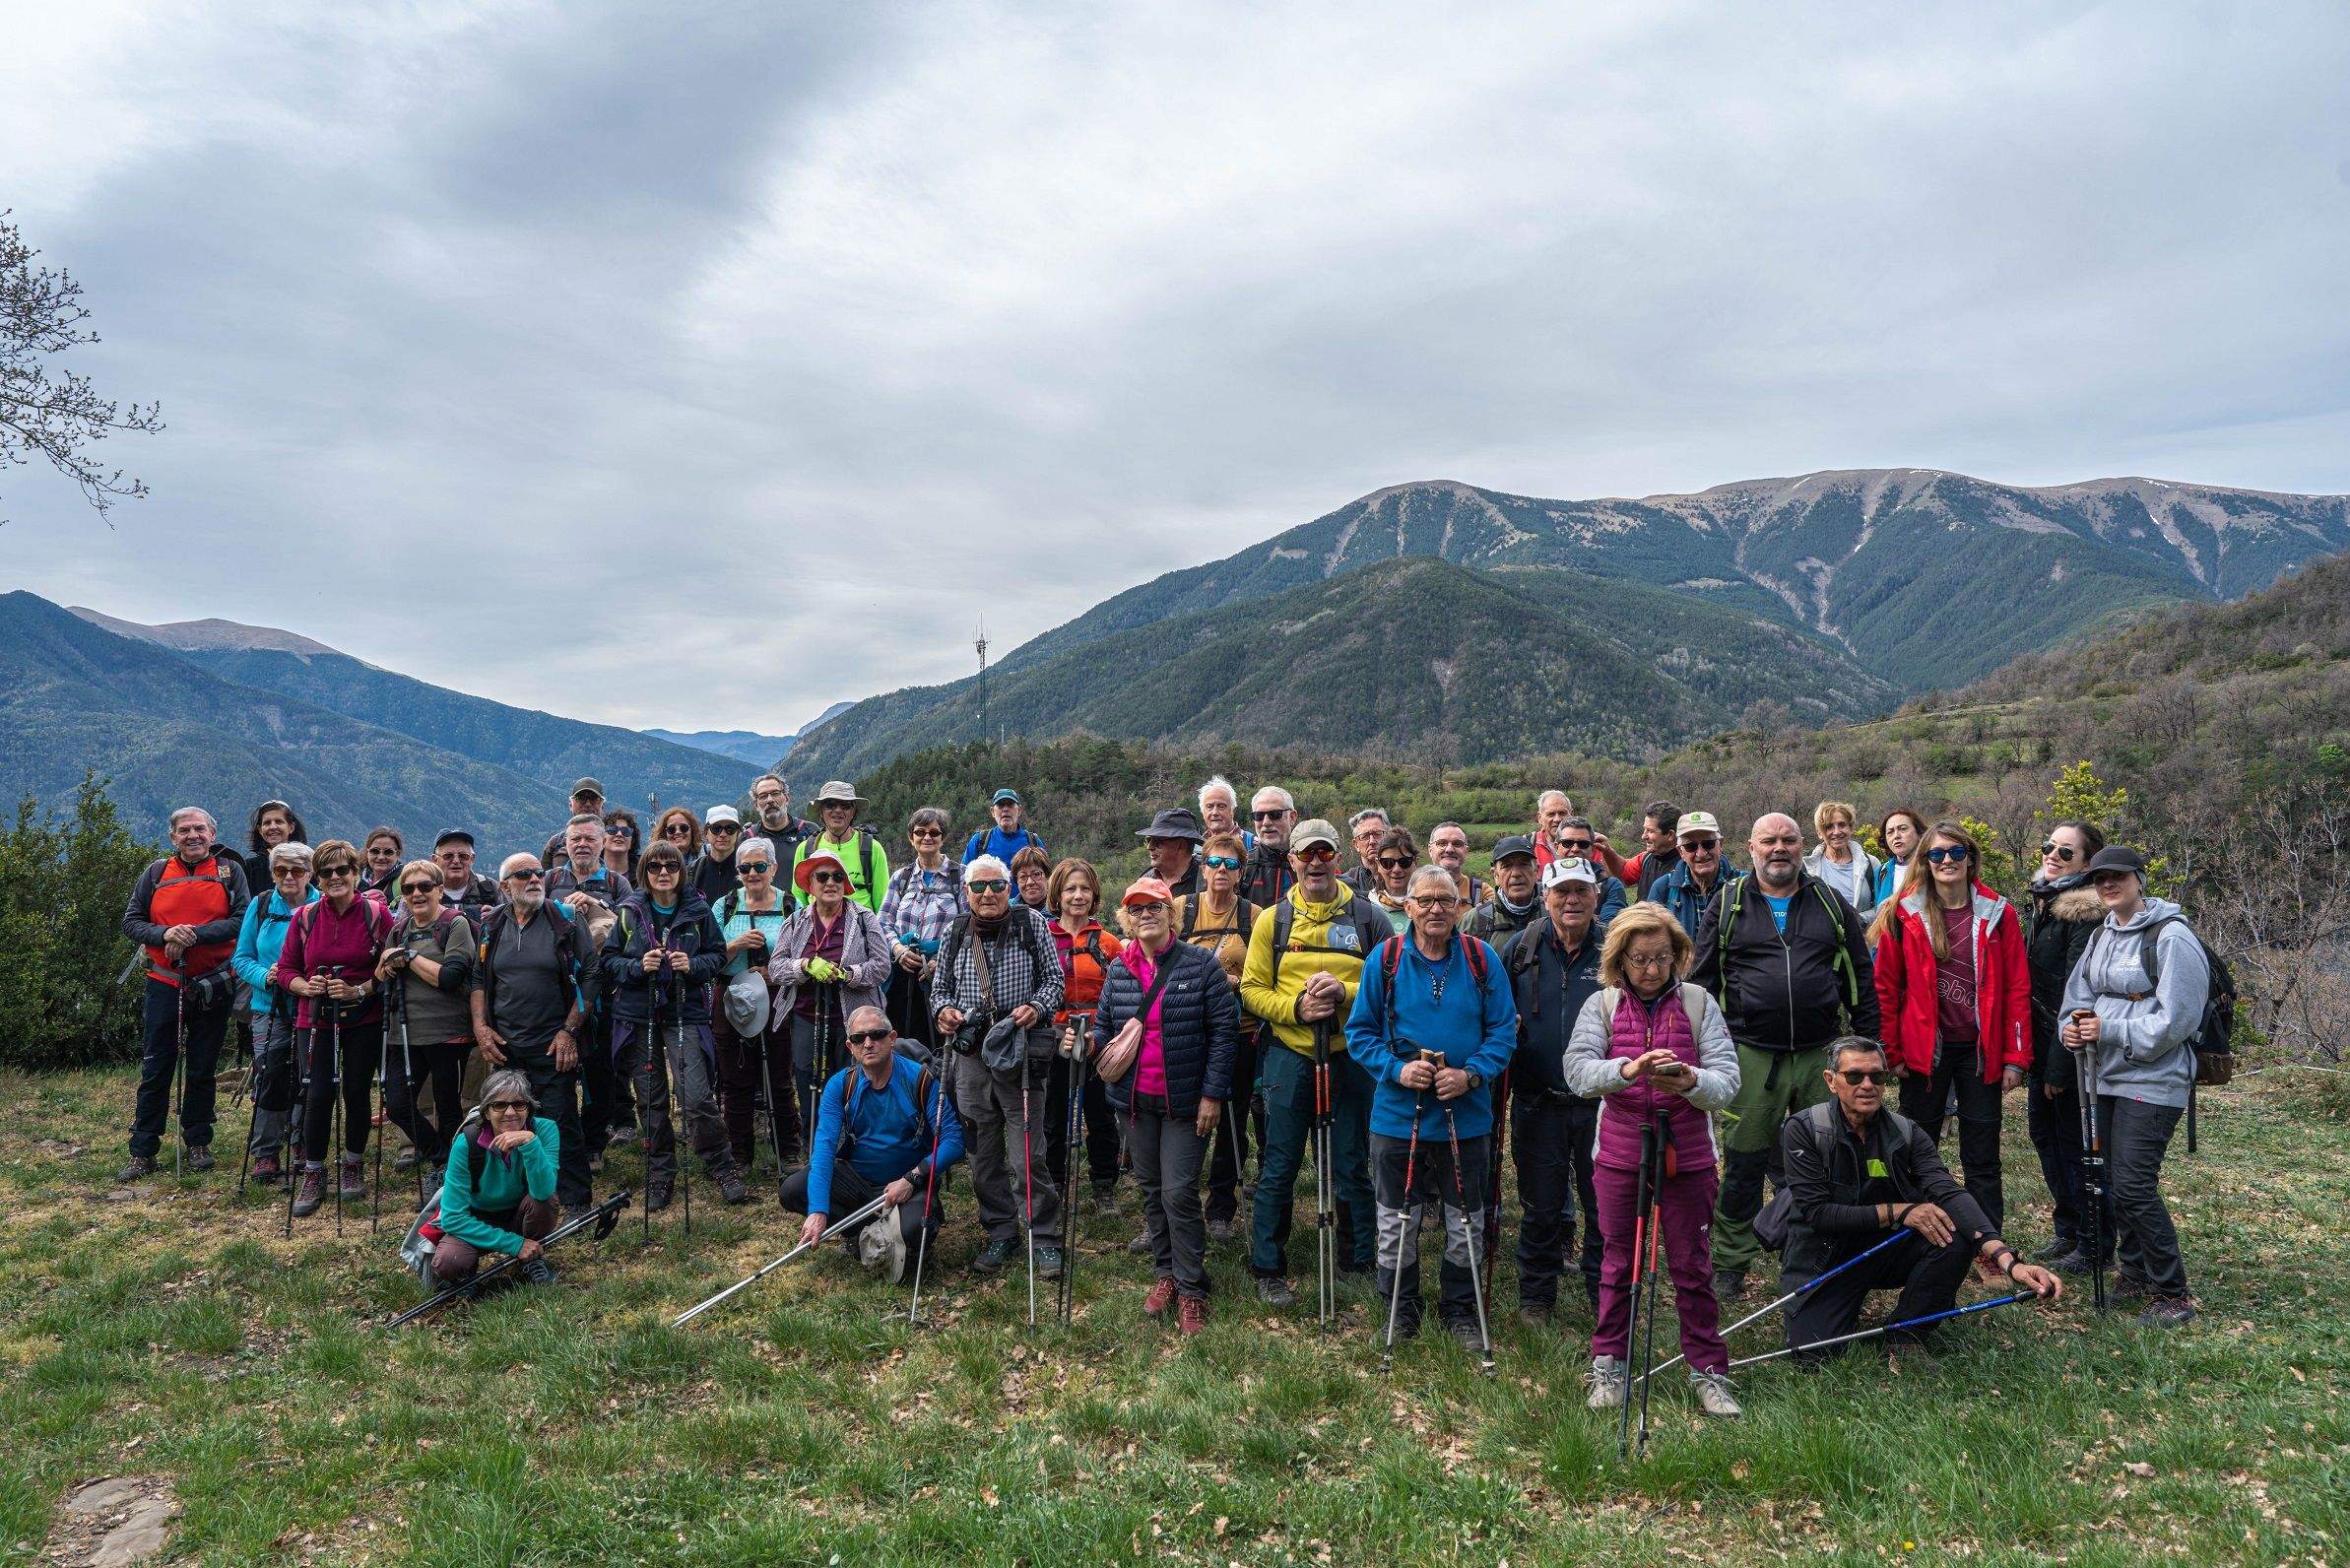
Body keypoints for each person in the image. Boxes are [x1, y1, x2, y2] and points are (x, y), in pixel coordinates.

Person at [1778, 1037, 2060, 1366]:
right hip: (1825, 1257)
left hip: (1883, 1249)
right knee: (1814, 1356)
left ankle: (1906, 1335)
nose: (1867, 1085)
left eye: (1878, 1077)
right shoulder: (1803, 1130)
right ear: (1831, 1080)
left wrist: (2007, 1260)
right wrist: (1902, 1211)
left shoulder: (1906, 1131)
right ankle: (1837, 1305)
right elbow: (1817, 1214)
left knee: (1953, 1235)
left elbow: (1949, 1192)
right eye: (1854, 1076)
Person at [1562, 903, 1742, 1414]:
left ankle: (1708, 1370)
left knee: (1691, 1263)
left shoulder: (1698, 1003)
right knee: (1618, 1262)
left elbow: (1727, 1083)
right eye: (1640, 959)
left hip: (1688, 1153)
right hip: (1620, 1153)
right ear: (1620, 959)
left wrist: (1690, 1081)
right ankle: (1608, 1365)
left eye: (1662, 957)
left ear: (1677, 955)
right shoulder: (1601, 1005)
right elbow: (1577, 1073)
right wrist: (1627, 1070)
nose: (1651, 969)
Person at [1693, 813, 1880, 1299]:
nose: (1780, 848)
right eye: (1769, 840)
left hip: (1822, 1054)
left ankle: (1822, 1250)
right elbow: (1702, 981)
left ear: (1803, 847)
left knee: (1832, 1158)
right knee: (1744, 1162)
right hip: (1752, 1055)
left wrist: (1869, 1042)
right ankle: (1731, 1262)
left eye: (1789, 840)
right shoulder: (1729, 903)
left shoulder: (1829, 902)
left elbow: (1860, 974)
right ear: (1750, 847)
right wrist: (1701, 1050)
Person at [1347, 865, 1517, 1347]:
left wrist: (1471, 1075)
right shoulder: (1386, 958)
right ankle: (1400, 1306)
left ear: (1460, 905)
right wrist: (1397, 1069)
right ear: (1408, 906)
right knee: (1394, 1217)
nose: (1436, 908)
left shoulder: (1482, 959)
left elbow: (1504, 1030)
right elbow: (1359, 1033)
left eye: (1446, 899)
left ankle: (1460, 1307)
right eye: (1426, 900)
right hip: (1398, 1116)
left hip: (1467, 1115)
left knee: (1467, 1218)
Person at [1237, 818, 1393, 1304]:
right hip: (1290, 1052)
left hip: (1351, 1055)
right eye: (1307, 855)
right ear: (1293, 862)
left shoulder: (1369, 918)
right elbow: (1250, 989)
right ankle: (1267, 1265)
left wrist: (1344, 992)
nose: (1316, 863)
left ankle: (1359, 1259)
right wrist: (1297, 1008)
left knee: (1351, 1160)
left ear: (1338, 860)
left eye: (1325, 854)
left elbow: (1390, 983)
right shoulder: (1273, 921)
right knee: (1279, 1161)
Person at [2058, 844, 2210, 1329]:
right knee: (2111, 1179)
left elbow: (2178, 1020)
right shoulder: (2102, 934)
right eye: (2100, 877)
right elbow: (2078, 995)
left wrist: (2112, 1030)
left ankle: (2174, 1293)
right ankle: (2136, 1270)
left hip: (2155, 1077)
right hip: (2102, 1075)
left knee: (2132, 1183)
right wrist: (2070, 1027)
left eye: (2118, 876)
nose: (2108, 885)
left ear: (2139, 879)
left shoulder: (2172, 937)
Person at [1092, 878, 1238, 1334]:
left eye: (1154, 906)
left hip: (1185, 1102)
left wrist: (1213, 1095)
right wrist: (1085, 1043)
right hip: (1134, 1104)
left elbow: (1224, 1035)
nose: (1145, 915)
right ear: (1127, 919)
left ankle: (1192, 1287)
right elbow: (1104, 1027)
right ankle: (1166, 1274)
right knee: (1152, 1191)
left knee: (1178, 1192)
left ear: (1169, 913)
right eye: (1136, 909)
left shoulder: (1200, 966)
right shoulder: (1119, 970)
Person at [1870, 822, 2030, 1228]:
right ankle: (1921, 1235)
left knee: (1982, 1155)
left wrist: (2015, 1057)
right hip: (1924, 1052)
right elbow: (1886, 988)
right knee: (1916, 1150)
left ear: (1971, 858)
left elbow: (2016, 988)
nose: (1946, 861)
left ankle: (1986, 1242)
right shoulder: (1903, 913)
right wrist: (1891, 1051)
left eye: (1956, 853)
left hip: (1981, 1051)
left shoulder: (1998, 913)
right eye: (1936, 854)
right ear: (1924, 861)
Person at [929, 855, 1068, 1278]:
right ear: (966, 892)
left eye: (997, 886)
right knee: (983, 1153)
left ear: (1009, 888)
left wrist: (1037, 1007)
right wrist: (945, 1013)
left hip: (1018, 1049)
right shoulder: (954, 931)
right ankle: (1001, 1229)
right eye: (979, 887)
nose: (988, 894)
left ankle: (1043, 1237)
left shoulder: (1031, 925)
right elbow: (939, 990)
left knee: (1028, 1151)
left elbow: (1054, 982)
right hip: (970, 1057)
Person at [1498, 858, 1611, 1320]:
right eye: (1561, 891)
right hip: (1536, 1099)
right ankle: (1537, 1296)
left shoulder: (1614, 948)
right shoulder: (1520, 949)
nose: (1571, 900)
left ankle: (1604, 1294)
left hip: (1604, 1104)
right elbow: (1496, 1014)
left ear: (1596, 896)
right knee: (1540, 1207)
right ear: (1545, 896)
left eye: (1581, 890)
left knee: (1604, 1207)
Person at [602, 841, 739, 1209]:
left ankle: (721, 1164)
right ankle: (661, 1173)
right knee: (652, 1101)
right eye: (655, 867)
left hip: (684, 1011)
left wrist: (692, 966)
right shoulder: (629, 912)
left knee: (695, 1097)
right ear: (644, 872)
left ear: (682, 872)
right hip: (638, 1013)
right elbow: (609, 960)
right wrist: (635, 967)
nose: (663, 872)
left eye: (671, 866)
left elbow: (716, 955)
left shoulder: (698, 911)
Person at [118, 807, 252, 1180]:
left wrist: (190, 933)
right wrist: (165, 934)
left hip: (212, 982)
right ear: (172, 837)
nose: (192, 836)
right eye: (183, 830)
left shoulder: (230, 871)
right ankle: (143, 1149)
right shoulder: (157, 873)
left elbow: (242, 920)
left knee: (202, 1065)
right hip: (164, 981)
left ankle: (198, 1141)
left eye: (199, 829)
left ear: (212, 833)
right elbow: (131, 922)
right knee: (157, 1065)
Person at [784, 1007, 964, 1272]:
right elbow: (823, 1149)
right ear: (850, 1046)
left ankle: (899, 1232)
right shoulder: (840, 1085)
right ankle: (860, 1232)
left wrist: (912, 1178)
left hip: (908, 1182)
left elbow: (954, 1140)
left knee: (917, 1230)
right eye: (859, 1038)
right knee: (793, 1191)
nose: (868, 1043)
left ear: (892, 1038)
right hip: (857, 1180)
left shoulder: (921, 1079)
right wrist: (818, 1211)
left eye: (876, 1035)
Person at [274, 838, 392, 1216]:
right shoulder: (305, 918)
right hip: (316, 1018)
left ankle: (353, 1163)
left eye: (343, 870)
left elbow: (390, 970)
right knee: (317, 1092)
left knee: (356, 1090)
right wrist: (304, 986)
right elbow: (287, 968)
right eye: (327, 872)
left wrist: (359, 989)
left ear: (357, 874)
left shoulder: (376, 915)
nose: (336, 877)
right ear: (317, 878)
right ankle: (314, 1169)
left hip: (364, 1018)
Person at [472, 854, 595, 1214]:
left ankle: (574, 1199)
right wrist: (481, 1028)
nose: (535, 879)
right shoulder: (492, 925)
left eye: (539, 873)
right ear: (506, 886)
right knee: (509, 1120)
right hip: (506, 1046)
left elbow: (591, 975)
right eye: (523, 874)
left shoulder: (566, 920)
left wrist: (570, 1030)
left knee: (559, 1120)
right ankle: (520, 1192)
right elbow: (479, 979)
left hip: (553, 1043)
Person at [767, 848, 896, 1178]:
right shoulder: (795, 921)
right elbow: (777, 967)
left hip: (854, 1022)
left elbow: (881, 967)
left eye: (837, 876)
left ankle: (856, 1157)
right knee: (809, 1083)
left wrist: (848, 974)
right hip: (805, 1016)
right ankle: (817, 1158)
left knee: (852, 1084)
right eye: (821, 876)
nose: (830, 882)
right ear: (809, 884)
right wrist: (806, 965)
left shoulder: (864, 919)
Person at [2022, 820, 2110, 1271]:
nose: (2052, 856)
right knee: (2045, 1135)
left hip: (2070, 1052)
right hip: (2041, 1044)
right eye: (2048, 846)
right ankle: (2068, 1230)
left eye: (2066, 852)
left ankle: (2094, 1241)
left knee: (2075, 1144)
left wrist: (2060, 1066)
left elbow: (2077, 994)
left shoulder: (2084, 913)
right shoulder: (2045, 902)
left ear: (2088, 863)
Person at [1171, 832, 1261, 1240]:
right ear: (1201, 867)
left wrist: (1227, 980)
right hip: (1187, 1031)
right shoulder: (1179, 909)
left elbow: (1263, 979)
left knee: (1232, 1117)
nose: (1221, 870)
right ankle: (1182, 1199)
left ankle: (1222, 1206)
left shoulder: (1255, 916)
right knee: (1187, 1118)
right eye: (1214, 863)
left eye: (1230, 864)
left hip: (1239, 1031)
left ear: (1241, 873)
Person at [376, 858, 479, 1181]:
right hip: (403, 1032)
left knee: (448, 1104)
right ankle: (438, 1153)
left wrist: (410, 957)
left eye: (424, 886)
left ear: (439, 889)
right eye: (409, 888)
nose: (417, 893)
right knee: (397, 1105)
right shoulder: (399, 929)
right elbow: (380, 976)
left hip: (448, 1031)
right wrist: (386, 965)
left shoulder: (455, 923)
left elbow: (450, 977)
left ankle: (448, 1168)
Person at [549, 815, 632, 1166]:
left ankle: (593, 1142)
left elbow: (632, 926)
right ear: (564, 844)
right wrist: (564, 910)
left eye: (589, 839)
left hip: (605, 991)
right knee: (560, 1070)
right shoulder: (550, 879)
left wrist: (598, 906)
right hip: (559, 990)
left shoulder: (617, 883)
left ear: (603, 843)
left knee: (602, 1071)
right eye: (575, 839)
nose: (581, 844)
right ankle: (564, 1139)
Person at [230, 839, 315, 1184]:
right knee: (270, 1074)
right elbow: (241, 958)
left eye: (297, 870)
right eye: (281, 870)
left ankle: (304, 1143)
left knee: (309, 1075)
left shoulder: (321, 905)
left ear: (310, 873)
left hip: (311, 1004)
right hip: (268, 1005)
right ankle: (266, 1151)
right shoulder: (261, 905)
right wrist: (266, 977)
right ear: (272, 873)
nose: (289, 877)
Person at [427, 1071, 560, 1288]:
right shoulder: (466, 1143)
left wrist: (530, 1144)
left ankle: (533, 1260)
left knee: (546, 1202)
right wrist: (515, 1244)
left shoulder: (545, 1131)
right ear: (486, 1112)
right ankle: (467, 1272)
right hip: (477, 1218)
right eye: (499, 1105)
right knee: (448, 1262)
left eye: (519, 1104)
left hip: (523, 1213)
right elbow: (452, 1218)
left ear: (529, 1108)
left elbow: (544, 1192)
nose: (510, 1112)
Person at [711, 836, 797, 1172]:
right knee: (735, 1075)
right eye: (745, 867)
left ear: (774, 868)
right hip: (731, 993)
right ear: (738, 872)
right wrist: (736, 945)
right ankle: (740, 1152)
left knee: (779, 1073)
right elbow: (710, 956)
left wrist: (772, 972)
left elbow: (801, 954)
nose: (753, 873)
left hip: (776, 995)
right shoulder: (725, 906)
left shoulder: (791, 906)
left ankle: (787, 1150)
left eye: (760, 866)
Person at [1046, 858, 1125, 1209]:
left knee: (1101, 1113)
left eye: (1085, 889)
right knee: (1054, 1115)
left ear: (1094, 895)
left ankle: (1104, 1184)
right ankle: (1056, 1183)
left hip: (1099, 1036)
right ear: (1058, 894)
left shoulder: (1109, 943)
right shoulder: (1043, 937)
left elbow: (1123, 990)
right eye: (1070, 889)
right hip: (1054, 1034)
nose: (1078, 896)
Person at [880, 808, 963, 1049]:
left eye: (934, 832)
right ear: (911, 837)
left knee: (940, 1040)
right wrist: (899, 951)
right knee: (902, 1039)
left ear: (943, 837)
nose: (927, 837)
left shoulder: (960, 877)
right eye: (920, 832)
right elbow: (883, 922)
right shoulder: (901, 877)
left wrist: (942, 961)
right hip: (902, 977)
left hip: (943, 977)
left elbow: (968, 929)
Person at [794, 780, 890, 913]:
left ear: (853, 812)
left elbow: (883, 902)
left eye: (845, 806)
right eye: (830, 805)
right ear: (821, 811)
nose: (838, 810)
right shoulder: (805, 849)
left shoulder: (872, 848)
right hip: (817, 929)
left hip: (862, 929)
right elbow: (799, 899)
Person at [1648, 811, 1741, 937]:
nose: (1701, 853)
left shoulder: (1744, 885)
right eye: (1691, 846)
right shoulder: (1663, 889)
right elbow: (1652, 942)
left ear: (1720, 845)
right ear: (1681, 852)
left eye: (1708, 844)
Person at [1804, 801, 1881, 917]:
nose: (1837, 832)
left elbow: (1883, 906)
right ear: (1820, 833)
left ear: (1851, 828)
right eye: (1829, 827)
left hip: (1862, 934)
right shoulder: (1806, 867)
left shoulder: (1871, 864)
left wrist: (1861, 919)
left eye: (1842, 825)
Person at [1464, 835, 1542, 944]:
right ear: (1495, 875)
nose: (1516, 873)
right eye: (1507, 866)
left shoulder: (1553, 913)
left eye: (1524, 865)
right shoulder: (1476, 919)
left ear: (1536, 871)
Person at [1547, 817, 1628, 921]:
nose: (1575, 849)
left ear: (1593, 849)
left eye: (1583, 844)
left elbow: (1612, 928)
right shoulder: (1545, 884)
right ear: (1556, 847)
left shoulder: (1610, 886)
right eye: (1567, 843)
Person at [1599, 802, 1681, 900]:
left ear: (1670, 835)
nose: (1643, 836)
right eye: (1645, 830)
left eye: (1650, 831)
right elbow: (1623, 872)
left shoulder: (1688, 866)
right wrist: (1607, 851)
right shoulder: (1646, 858)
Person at [241, 801, 306, 913]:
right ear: (260, 830)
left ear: (291, 827)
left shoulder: (306, 863)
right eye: (267, 823)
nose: (273, 827)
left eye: (279, 822)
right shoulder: (249, 867)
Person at [1239, 787, 1298, 910]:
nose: (1266, 822)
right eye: (1259, 816)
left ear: (1292, 817)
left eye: (1275, 814)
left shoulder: (1311, 862)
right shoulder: (1242, 865)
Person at [749, 774, 816, 868]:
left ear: (787, 798)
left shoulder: (810, 832)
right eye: (763, 796)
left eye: (775, 793)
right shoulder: (747, 837)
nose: (770, 800)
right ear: (756, 804)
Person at [965, 788, 1045, 867]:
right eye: (1000, 805)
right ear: (992, 811)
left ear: (1019, 810)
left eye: (1010, 804)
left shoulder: (1034, 842)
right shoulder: (979, 842)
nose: (1005, 809)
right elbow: (963, 876)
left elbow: (1046, 876)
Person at [432, 830, 502, 920]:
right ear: (435, 860)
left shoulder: (490, 887)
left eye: (463, 856)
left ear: (472, 859)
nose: (456, 861)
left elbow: (513, 924)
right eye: (448, 856)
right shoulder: (423, 889)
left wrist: (497, 921)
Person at [1139, 807, 1206, 900]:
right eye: (1148, 839)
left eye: (1157, 841)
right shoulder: (1145, 880)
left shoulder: (1208, 880)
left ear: (1181, 845)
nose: (1149, 847)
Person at [540, 777, 607, 868]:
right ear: (571, 805)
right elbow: (542, 878)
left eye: (593, 799)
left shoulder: (614, 840)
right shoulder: (555, 843)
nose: (588, 804)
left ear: (602, 806)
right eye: (581, 798)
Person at [1366, 824, 1417, 932]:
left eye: (1404, 862)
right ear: (1378, 864)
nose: (1396, 869)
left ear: (1415, 862)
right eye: (1388, 863)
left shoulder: (1428, 903)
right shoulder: (1367, 906)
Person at [1873, 808, 1927, 909]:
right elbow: (1878, 911)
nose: (1896, 836)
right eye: (1890, 832)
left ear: (1919, 834)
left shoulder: (1932, 866)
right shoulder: (1882, 873)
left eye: (1903, 829)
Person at [1428, 822, 1487, 907]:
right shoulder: (1414, 889)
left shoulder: (1482, 892)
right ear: (1430, 850)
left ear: (1466, 851)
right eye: (1442, 843)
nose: (1449, 849)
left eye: (1457, 844)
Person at [694, 806, 745, 904]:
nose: (723, 834)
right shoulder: (693, 871)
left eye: (730, 829)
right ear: (706, 833)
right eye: (716, 829)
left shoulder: (748, 869)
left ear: (738, 833)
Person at [1198, 775, 1255, 855]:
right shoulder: (1197, 847)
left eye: (1221, 806)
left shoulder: (1253, 845)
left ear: (1233, 811)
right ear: (1202, 812)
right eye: (1209, 806)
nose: (1214, 812)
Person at [1341, 809, 1392, 895]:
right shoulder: (1346, 885)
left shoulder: (1404, 876)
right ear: (1356, 844)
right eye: (1364, 836)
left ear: (1389, 837)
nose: (1372, 841)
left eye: (1377, 833)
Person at [358, 827, 406, 903]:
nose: (381, 857)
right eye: (375, 851)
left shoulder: (405, 882)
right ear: (368, 852)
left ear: (398, 854)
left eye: (388, 852)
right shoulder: (356, 879)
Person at [651, 807, 702, 875]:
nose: (677, 832)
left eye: (684, 828)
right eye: (671, 829)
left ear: (692, 831)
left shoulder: (706, 857)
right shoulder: (653, 864)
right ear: (664, 834)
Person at [1532, 790, 1575, 867]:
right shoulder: (1529, 845)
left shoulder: (1587, 844)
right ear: (1540, 818)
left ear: (1571, 815)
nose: (1557, 819)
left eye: (1562, 813)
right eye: (1551, 814)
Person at [601, 807, 642, 883]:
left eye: (626, 831)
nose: (619, 834)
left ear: (632, 841)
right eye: (612, 829)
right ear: (602, 839)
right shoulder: (587, 869)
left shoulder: (644, 873)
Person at [1011, 845, 1053, 912]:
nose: (1029, 882)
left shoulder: (1062, 909)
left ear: (1047, 876)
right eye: (1023, 877)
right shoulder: (1006, 910)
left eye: (1036, 874)